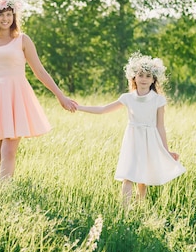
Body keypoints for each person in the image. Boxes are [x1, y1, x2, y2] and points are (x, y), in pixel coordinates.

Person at [0, 0, 77, 182]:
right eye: (1, 15)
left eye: (9, 14)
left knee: (8, 149)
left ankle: (6, 192)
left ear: (14, 17)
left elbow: (40, 72)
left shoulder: (23, 40)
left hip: (15, 97)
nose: (5, 19)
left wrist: (61, 96)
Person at [77, 52, 186, 207]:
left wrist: (166, 150)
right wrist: (79, 107)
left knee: (143, 179)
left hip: (150, 140)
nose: (144, 79)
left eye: (148, 76)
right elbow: (103, 109)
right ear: (133, 77)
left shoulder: (158, 100)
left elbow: (160, 126)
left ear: (154, 79)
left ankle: (139, 208)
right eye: (140, 75)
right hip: (133, 139)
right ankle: (124, 211)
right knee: (128, 175)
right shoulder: (127, 98)